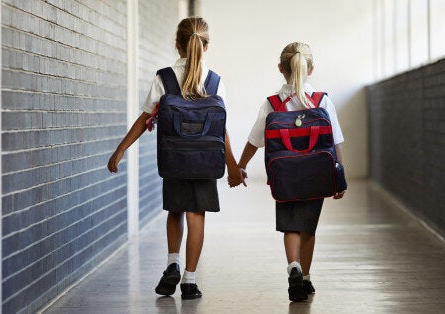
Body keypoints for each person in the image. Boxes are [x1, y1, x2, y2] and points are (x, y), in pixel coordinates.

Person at [107, 17, 242, 300]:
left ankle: (172, 263)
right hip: (206, 161)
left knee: (176, 211)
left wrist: (120, 149)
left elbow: (145, 119)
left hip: (174, 159)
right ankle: (189, 282)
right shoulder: (216, 81)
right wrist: (233, 166)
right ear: (206, 46)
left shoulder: (164, 77)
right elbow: (221, 130)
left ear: (177, 44)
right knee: (197, 216)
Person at [236, 42, 346, 302]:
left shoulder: (272, 103)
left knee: (290, 226)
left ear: (280, 69)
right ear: (311, 69)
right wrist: (339, 176)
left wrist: (240, 166)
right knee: (309, 228)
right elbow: (336, 140)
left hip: (284, 176)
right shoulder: (322, 101)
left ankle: (292, 266)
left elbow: (254, 140)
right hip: (317, 174)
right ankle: (305, 278)